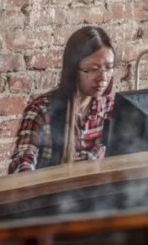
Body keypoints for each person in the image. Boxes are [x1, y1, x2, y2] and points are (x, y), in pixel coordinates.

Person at [8, 26, 116, 173]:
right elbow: (23, 161)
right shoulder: (41, 111)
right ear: (73, 69)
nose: (103, 77)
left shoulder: (109, 108)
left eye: (108, 68)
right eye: (92, 69)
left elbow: (111, 150)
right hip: (49, 186)